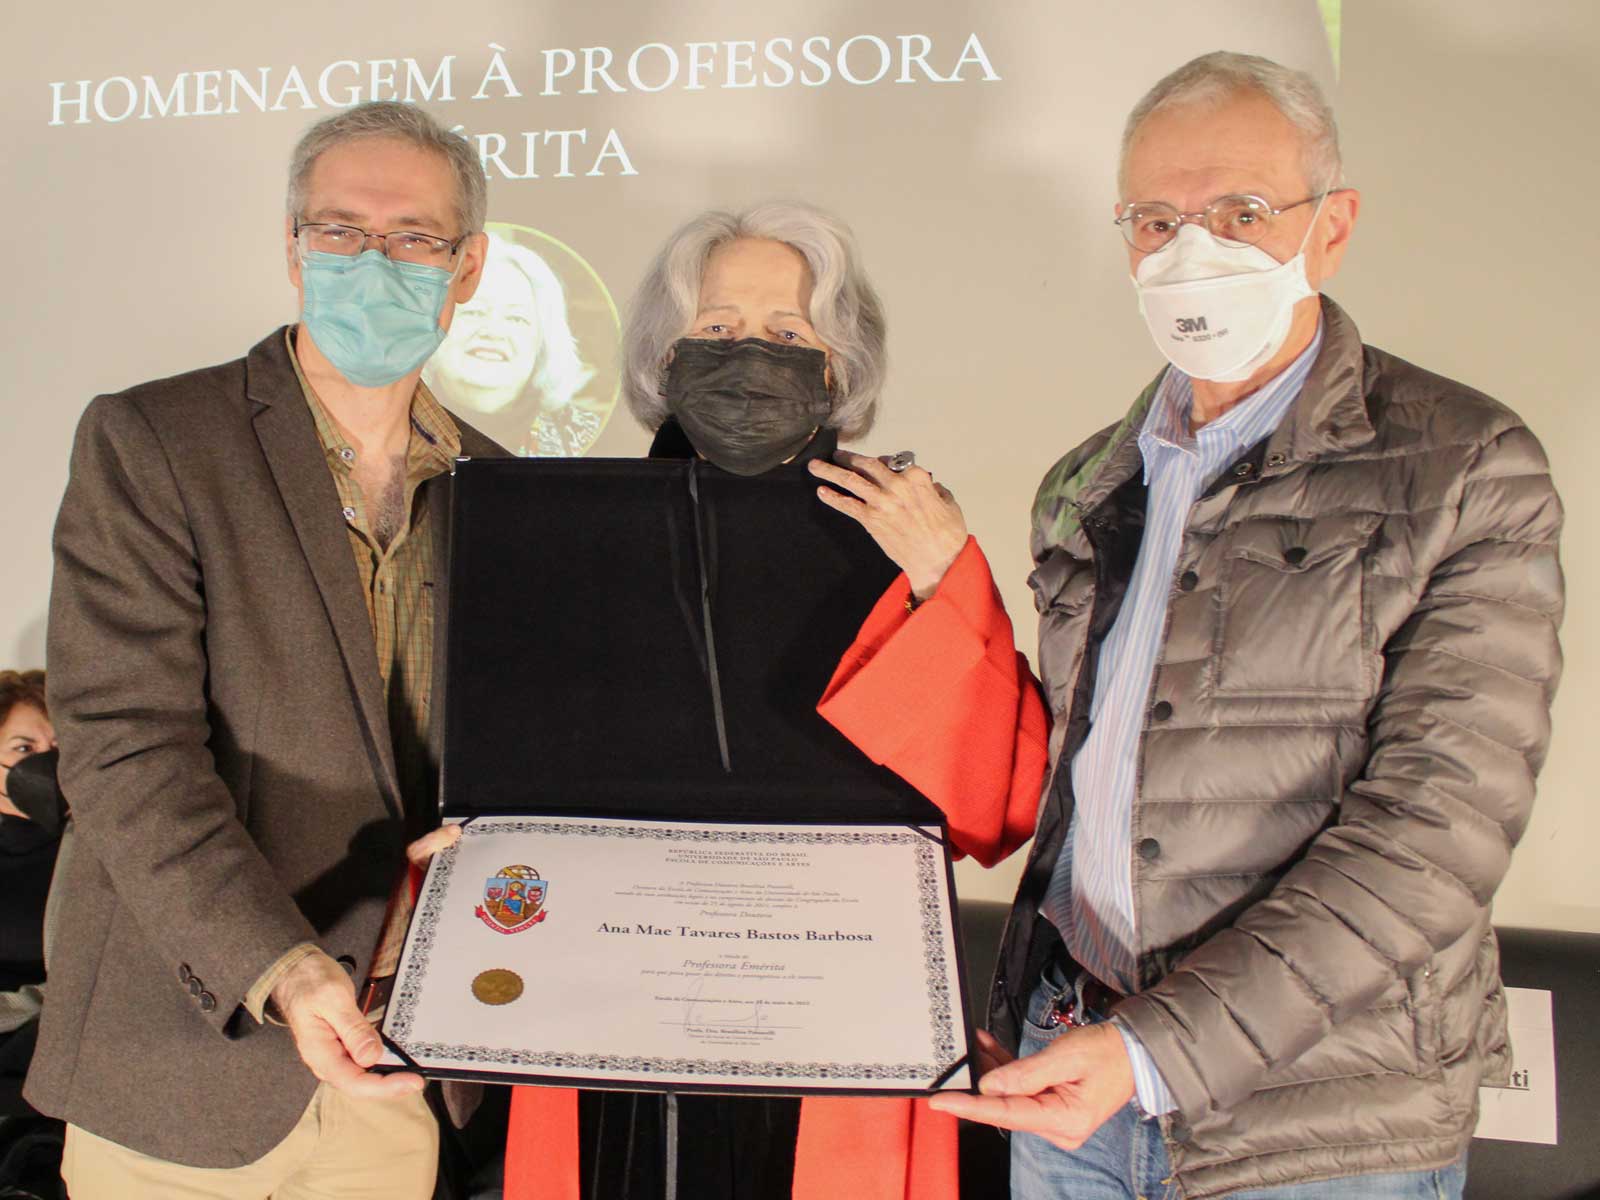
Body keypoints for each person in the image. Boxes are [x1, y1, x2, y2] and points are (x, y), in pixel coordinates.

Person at [811, 51, 1563, 1199]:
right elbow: (1073, 783)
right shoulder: (1088, 482)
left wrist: (1154, 1051)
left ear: (1333, 224)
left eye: (1240, 212)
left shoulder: (1464, 468)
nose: (1188, 250)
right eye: (1154, 218)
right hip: (1074, 1079)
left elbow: (1432, 842)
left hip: (1315, 1127)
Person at [424, 200, 1012, 1200]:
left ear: (841, 362)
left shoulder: (904, 533)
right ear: (666, 353)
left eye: (788, 332)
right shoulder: (561, 535)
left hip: (831, 1019)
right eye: (720, 327)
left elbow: (990, 804)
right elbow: (502, 771)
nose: (752, 355)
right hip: (610, 998)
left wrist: (941, 584)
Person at [28, 100, 504, 1198]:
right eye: (338, 230)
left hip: (391, 1069)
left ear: (467, 266)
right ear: (293, 248)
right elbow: (124, 752)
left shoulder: (501, 488)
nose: (370, 260)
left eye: (412, 238)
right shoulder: (155, 440)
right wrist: (282, 969)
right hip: (180, 1064)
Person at [424, 231, 600, 456]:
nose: (493, 332)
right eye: (475, 312)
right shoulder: (394, 424)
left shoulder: (581, 433)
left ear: (544, 345)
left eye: (516, 318)